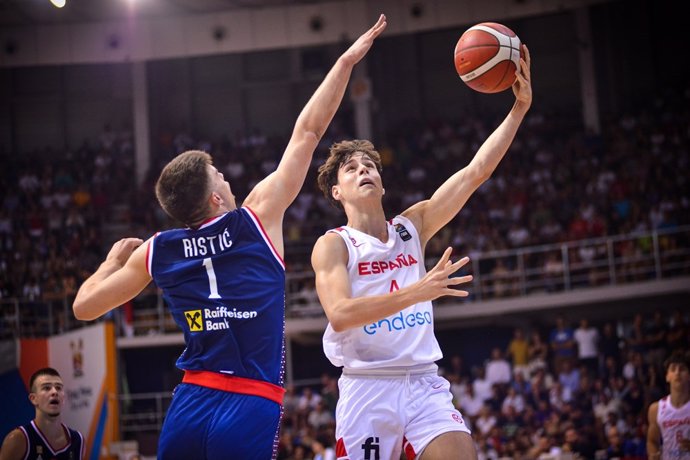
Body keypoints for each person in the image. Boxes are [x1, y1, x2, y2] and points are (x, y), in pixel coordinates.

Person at [71, 15, 387, 460]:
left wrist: (107, 263)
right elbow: (309, 130)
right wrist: (346, 61)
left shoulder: (157, 249)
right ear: (216, 198)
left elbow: (84, 308)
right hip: (252, 400)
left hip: (191, 400)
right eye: (218, 174)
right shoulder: (257, 217)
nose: (226, 176)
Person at [310, 45, 532, 459]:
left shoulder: (412, 226)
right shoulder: (333, 244)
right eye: (352, 168)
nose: (364, 170)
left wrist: (517, 110)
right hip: (368, 388)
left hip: (423, 382)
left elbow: (475, 173)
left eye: (370, 165)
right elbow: (339, 314)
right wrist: (417, 292)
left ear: (382, 181)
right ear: (337, 192)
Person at [0, 367, 84, 460]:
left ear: (63, 398)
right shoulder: (18, 440)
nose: (54, 392)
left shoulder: (78, 440)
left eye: (58, 387)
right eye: (47, 388)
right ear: (33, 399)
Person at [647, 350, 690, 459]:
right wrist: (653, 454)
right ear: (667, 376)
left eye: (682, 369)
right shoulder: (656, 409)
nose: (677, 372)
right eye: (673, 369)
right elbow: (652, 441)